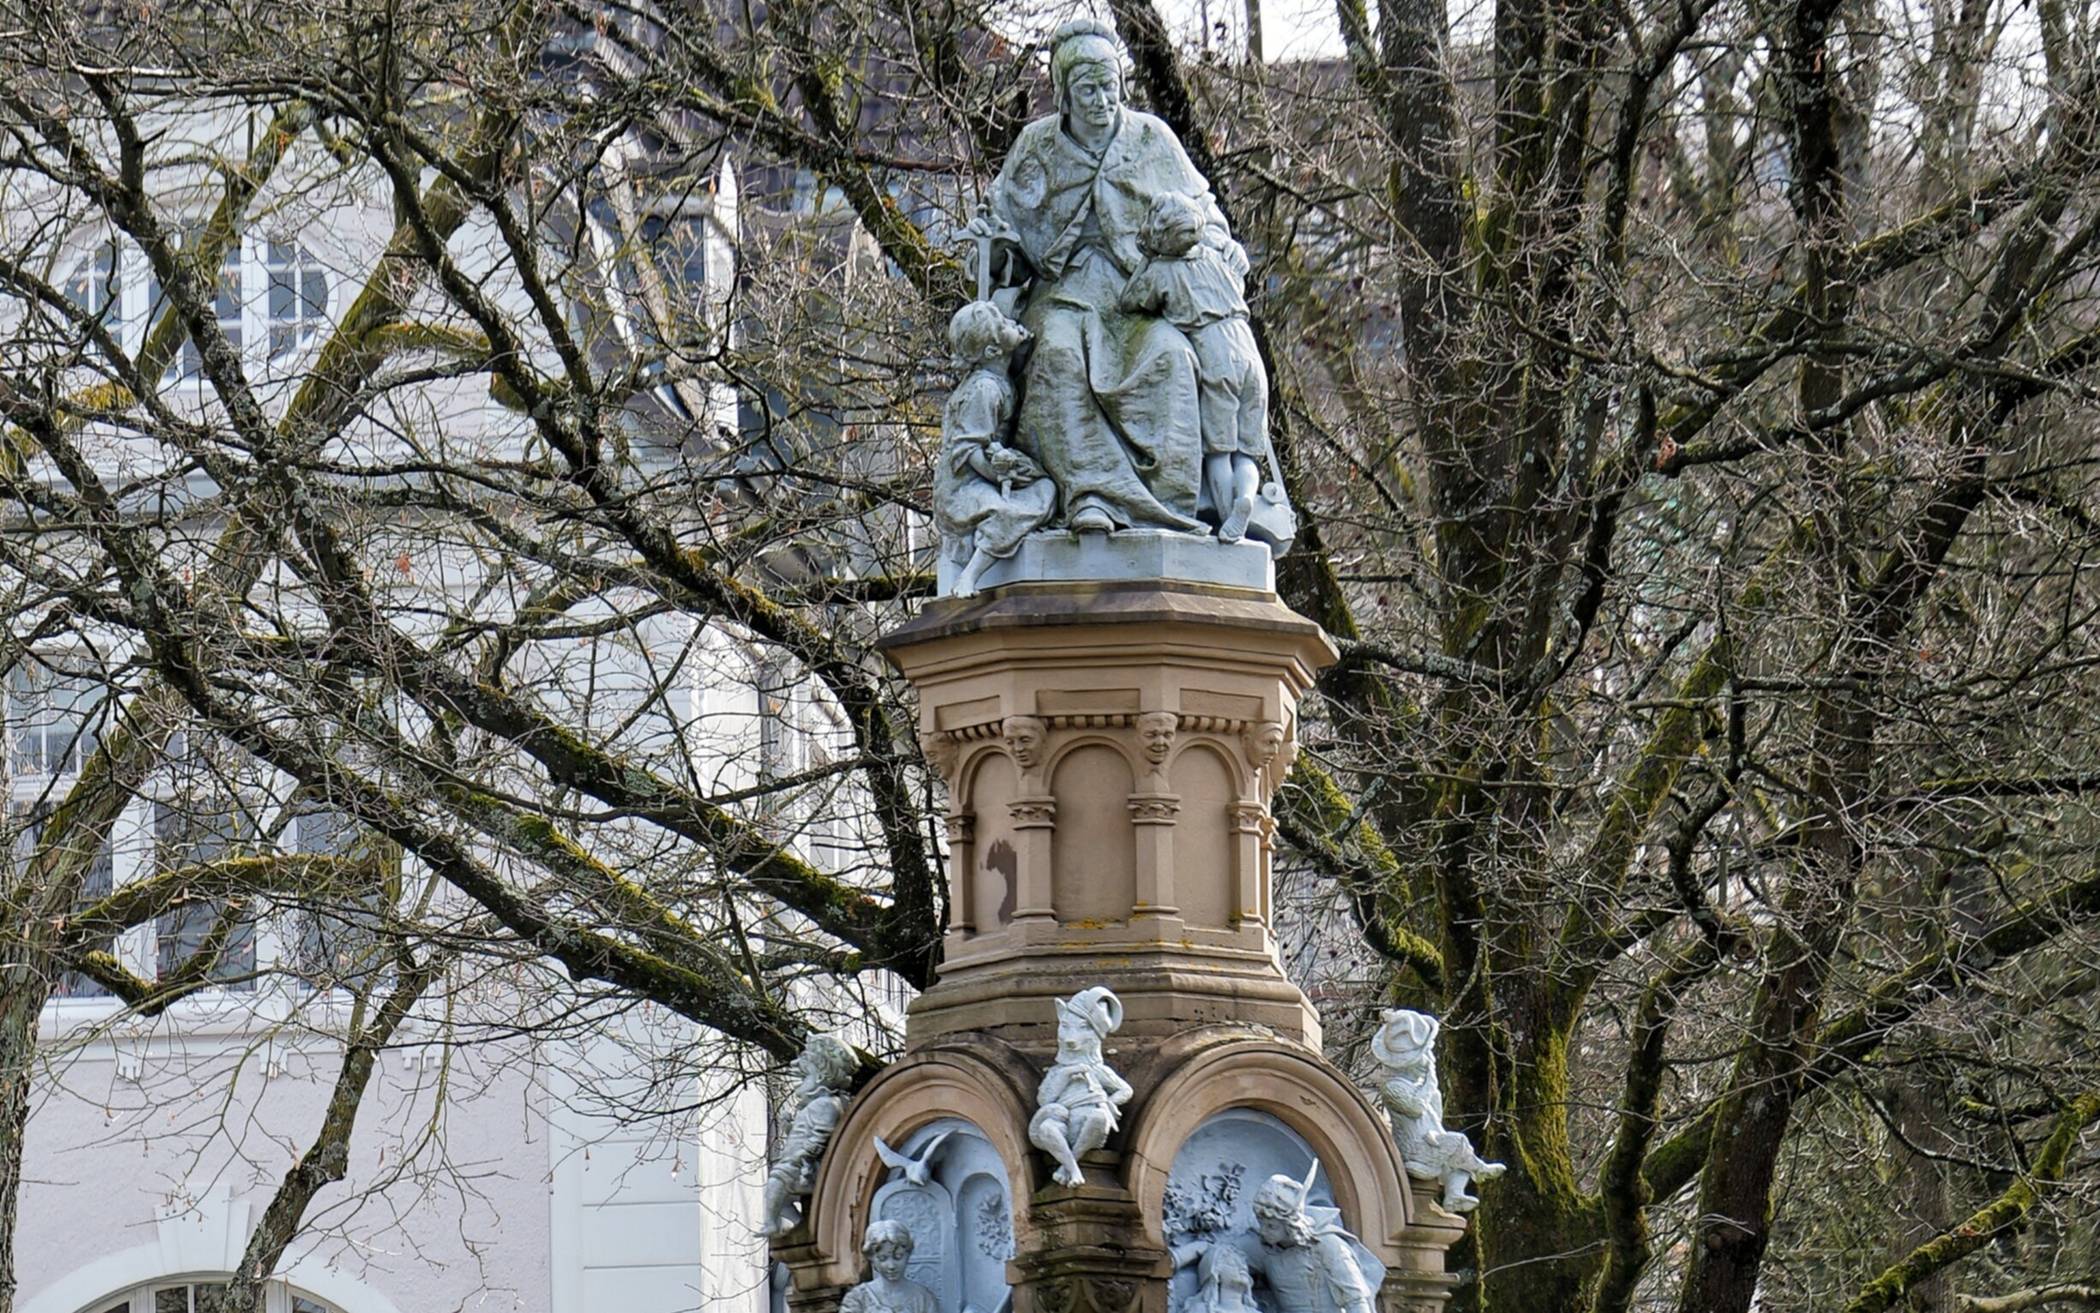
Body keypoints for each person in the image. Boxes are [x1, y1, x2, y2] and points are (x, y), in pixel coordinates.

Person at [988, 20, 1252, 535]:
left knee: (1172, 356)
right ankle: (1089, 496)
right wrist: (997, 250)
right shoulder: (1036, 147)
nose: (1100, 100)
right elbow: (1007, 242)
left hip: (1143, 296)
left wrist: (1225, 247)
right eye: (1087, 88)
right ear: (1063, 94)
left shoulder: (1151, 139)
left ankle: (1171, 513)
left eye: (1109, 86)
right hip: (1064, 292)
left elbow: (1204, 216)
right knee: (1058, 355)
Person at [1119, 193, 1270, 541]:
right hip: (1248, 350)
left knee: (1218, 452)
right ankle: (1247, 497)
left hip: (1217, 356)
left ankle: (1229, 521)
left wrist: (1146, 259)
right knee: (1248, 451)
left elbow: (1129, 301)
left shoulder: (1162, 272)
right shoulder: (1218, 260)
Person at [936, 301, 1056, 597]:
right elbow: (967, 450)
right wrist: (997, 472)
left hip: (987, 469)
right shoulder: (984, 389)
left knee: (1044, 489)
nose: (1012, 323)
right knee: (1021, 505)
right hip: (963, 487)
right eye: (1003, 324)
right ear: (992, 352)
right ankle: (969, 577)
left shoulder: (998, 377)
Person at [1028, 985, 1133, 1186]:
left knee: (1099, 1117)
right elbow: (1044, 1099)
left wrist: (1110, 1102)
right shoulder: (1058, 1071)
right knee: (1047, 1128)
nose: (1069, 1038)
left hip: (1090, 1124)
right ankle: (1073, 1169)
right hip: (1063, 1122)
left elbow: (1125, 1090)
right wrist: (1067, 1074)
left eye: (1083, 1027)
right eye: (1065, 1026)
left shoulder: (1097, 1070)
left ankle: (1067, 1166)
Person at [760, 1033, 859, 1236]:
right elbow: (806, 1132)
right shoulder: (816, 1105)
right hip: (795, 1162)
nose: (801, 1081)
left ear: (821, 1075)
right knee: (781, 1197)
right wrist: (789, 1128)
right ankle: (800, 1227)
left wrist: (802, 1154)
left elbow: (821, 1137)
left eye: (806, 1074)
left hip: (803, 1166)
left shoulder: (826, 1105)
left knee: (775, 1183)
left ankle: (771, 1223)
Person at [840, 1220, 942, 1313]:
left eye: (898, 1257)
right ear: (871, 1258)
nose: (891, 1266)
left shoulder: (923, 1298)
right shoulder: (858, 1298)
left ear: (908, 1254)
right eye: (883, 1258)